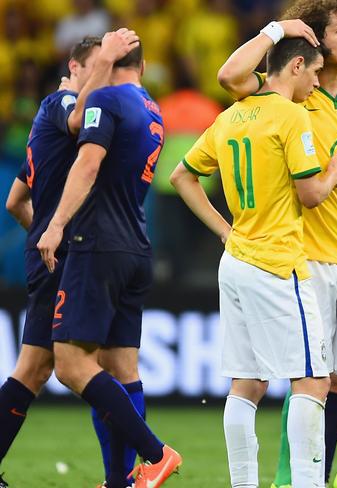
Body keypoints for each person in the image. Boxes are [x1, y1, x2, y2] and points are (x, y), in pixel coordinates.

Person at [217, 2, 337, 486]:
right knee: (312, 384)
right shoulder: (288, 94)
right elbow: (231, 75)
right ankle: (292, 479)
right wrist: (277, 30)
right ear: (316, 42)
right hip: (302, 261)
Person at [171, 36, 337, 487]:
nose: (317, 84)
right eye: (315, 72)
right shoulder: (292, 115)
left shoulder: (231, 116)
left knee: (247, 383)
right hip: (277, 264)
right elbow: (311, 195)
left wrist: (225, 231)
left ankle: (243, 484)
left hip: (237, 259)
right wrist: (335, 173)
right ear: (296, 65)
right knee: (313, 381)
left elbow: (182, 175)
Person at [36, 42, 182, 488]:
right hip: (135, 245)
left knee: (71, 365)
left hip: (96, 244)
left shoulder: (105, 99)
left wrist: (57, 223)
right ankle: (120, 482)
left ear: (108, 65)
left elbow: (88, 162)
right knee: (122, 369)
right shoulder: (153, 109)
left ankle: (156, 455)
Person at [2, 30, 143, 488]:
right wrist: (56, 236)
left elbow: (15, 200)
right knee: (87, 366)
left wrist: (44, 232)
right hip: (68, 252)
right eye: (98, 64)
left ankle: (120, 477)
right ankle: (145, 460)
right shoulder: (62, 104)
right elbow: (81, 118)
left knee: (36, 369)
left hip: (61, 250)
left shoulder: (50, 124)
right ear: (78, 69)